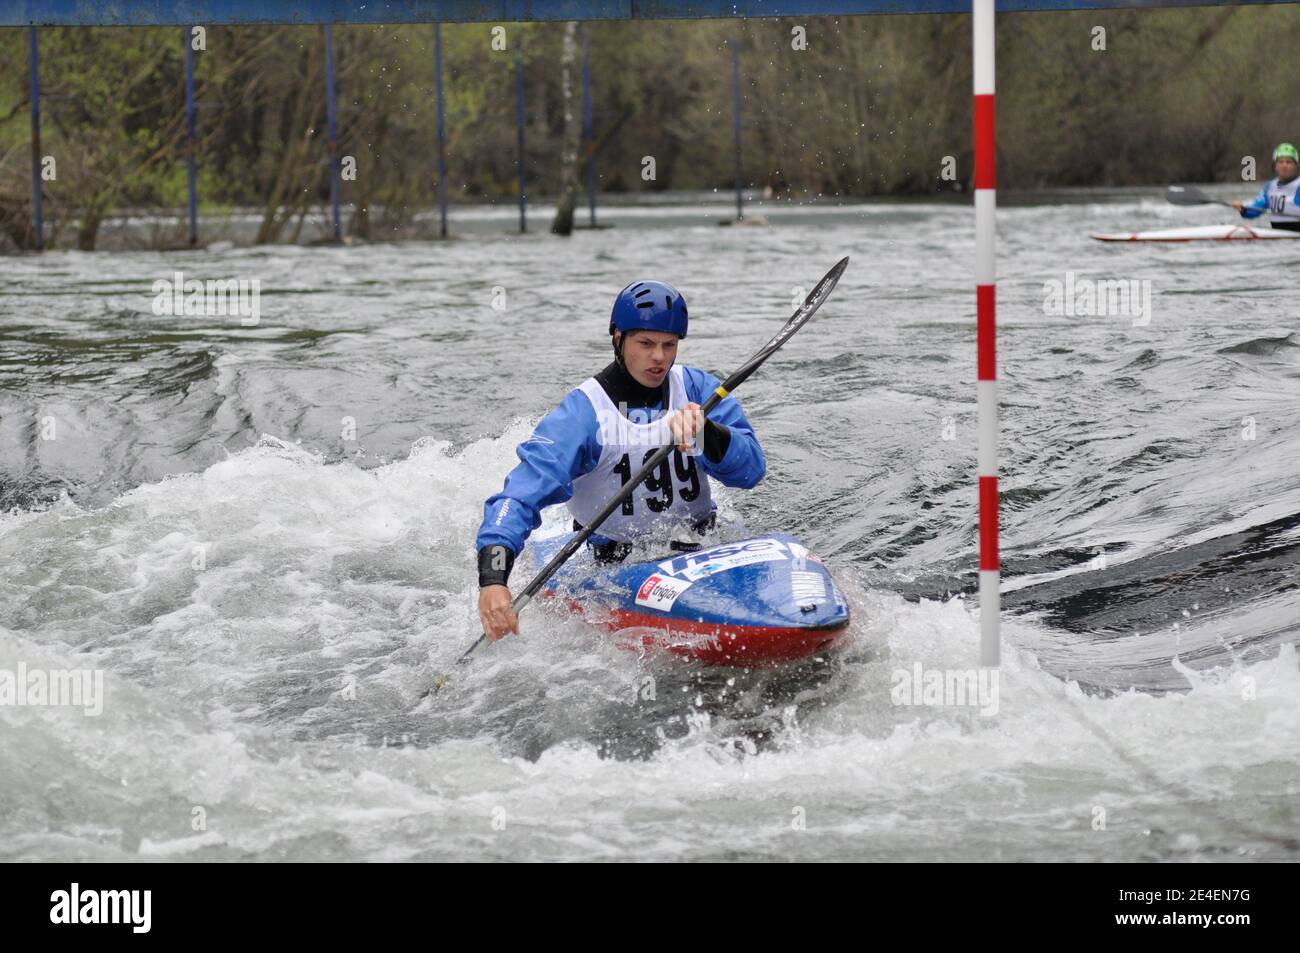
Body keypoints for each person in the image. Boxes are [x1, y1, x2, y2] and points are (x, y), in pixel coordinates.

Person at [475, 280, 766, 640]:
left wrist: (709, 433)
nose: (659, 357)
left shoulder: (696, 389)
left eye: (669, 345)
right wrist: (493, 578)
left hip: (705, 543)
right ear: (617, 338)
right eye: (645, 344)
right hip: (619, 566)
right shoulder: (583, 414)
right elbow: (519, 496)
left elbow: (752, 470)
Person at [1232, 143, 1300, 230]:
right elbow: (1256, 208)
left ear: (1296, 166)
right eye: (1281, 162)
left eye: (1289, 162)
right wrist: (1243, 209)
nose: (1284, 165)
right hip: (1278, 235)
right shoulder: (1270, 187)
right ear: (1275, 166)